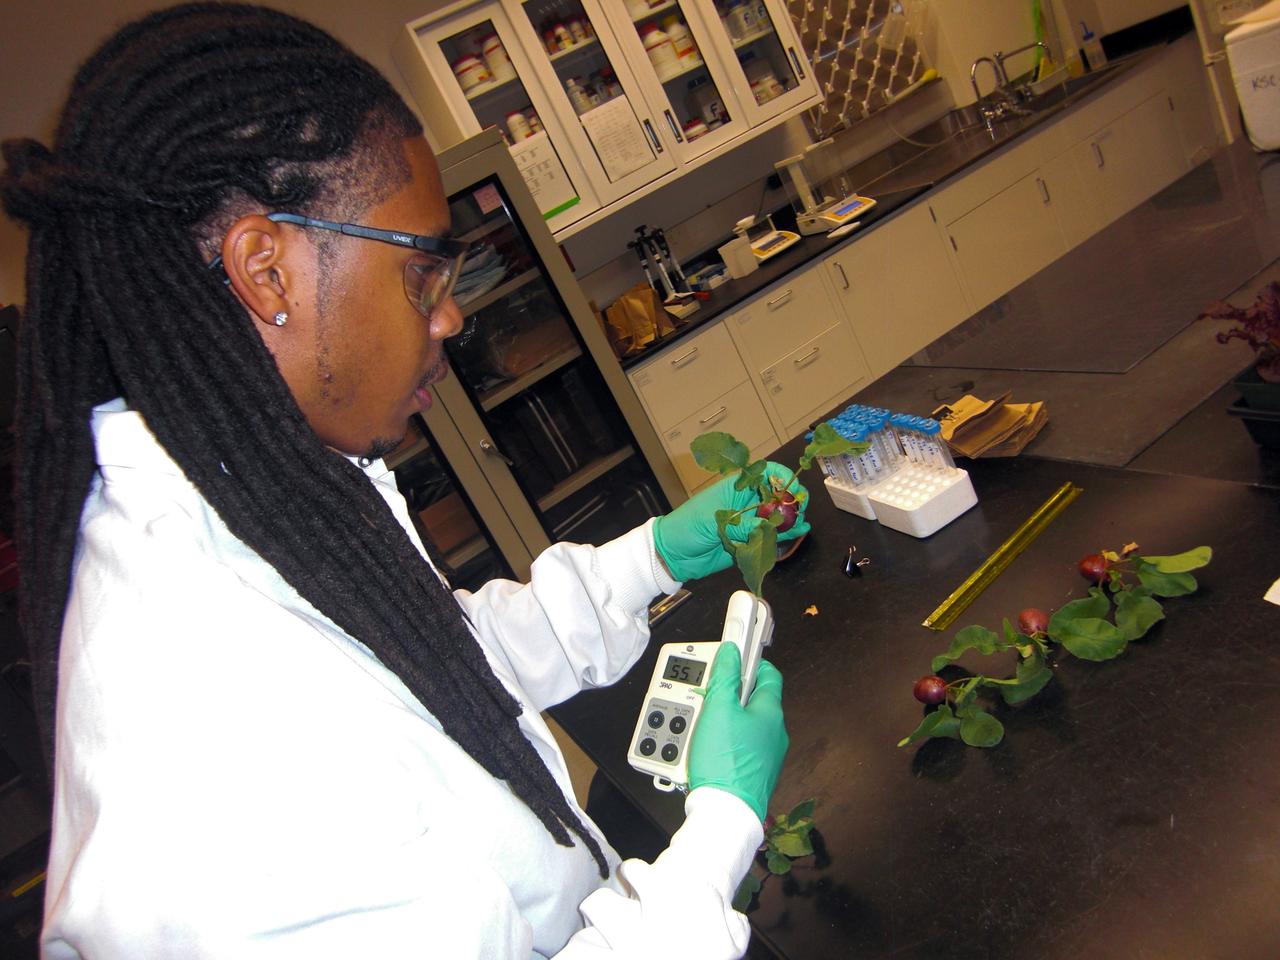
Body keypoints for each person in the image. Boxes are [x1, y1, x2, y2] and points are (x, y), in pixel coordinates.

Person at [0, 4, 812, 957]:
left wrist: (651, 556)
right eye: (423, 273)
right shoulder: (203, 746)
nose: (450, 318)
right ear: (267, 269)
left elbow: (429, 670)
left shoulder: (254, 487)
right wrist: (717, 833)